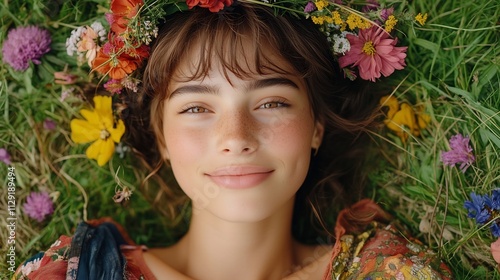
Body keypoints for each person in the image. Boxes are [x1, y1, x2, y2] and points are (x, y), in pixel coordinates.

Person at [14, 1, 452, 279]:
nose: (235, 139)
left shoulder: (390, 273)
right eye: (196, 108)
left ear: (317, 126)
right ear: (162, 137)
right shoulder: (79, 272)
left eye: (271, 103)